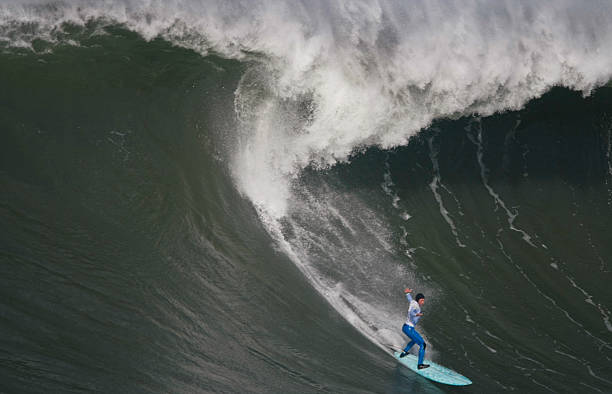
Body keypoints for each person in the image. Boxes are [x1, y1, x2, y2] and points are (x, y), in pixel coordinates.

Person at [400, 287, 429, 369]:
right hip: (408, 328)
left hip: (407, 327)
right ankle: (420, 365)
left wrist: (407, 293)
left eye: (423, 300)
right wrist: (416, 315)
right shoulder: (415, 307)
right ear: (418, 300)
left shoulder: (413, 302)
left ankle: (404, 352)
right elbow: (410, 312)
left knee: (414, 340)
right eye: (422, 300)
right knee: (422, 344)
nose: (423, 302)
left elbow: (410, 299)